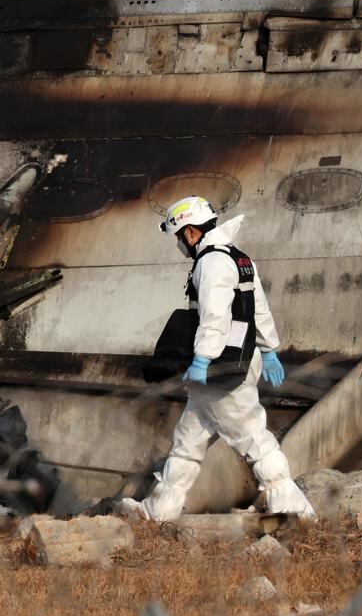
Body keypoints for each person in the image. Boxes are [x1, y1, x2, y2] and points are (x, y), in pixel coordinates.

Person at [132, 196, 315, 522]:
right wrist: (269, 349)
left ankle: (295, 512)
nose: (179, 244)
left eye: (179, 237)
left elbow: (214, 318)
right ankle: (158, 510)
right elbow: (259, 308)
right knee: (187, 444)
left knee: (254, 438)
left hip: (220, 369)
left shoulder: (211, 263)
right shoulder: (240, 258)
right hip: (239, 359)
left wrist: (202, 360)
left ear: (191, 233)